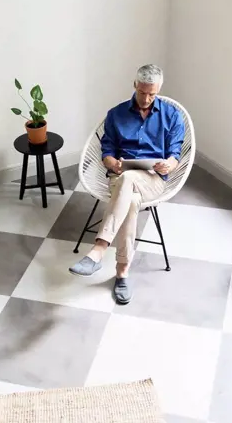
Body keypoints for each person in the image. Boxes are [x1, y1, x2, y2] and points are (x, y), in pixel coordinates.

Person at [69, 64, 185, 304]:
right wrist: (113, 164)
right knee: (129, 197)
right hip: (119, 178)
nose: (146, 98)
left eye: (152, 94)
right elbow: (106, 151)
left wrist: (168, 165)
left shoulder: (172, 115)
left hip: (153, 180)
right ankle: (122, 273)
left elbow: (175, 153)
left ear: (159, 89)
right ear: (135, 85)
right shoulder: (116, 114)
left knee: (129, 180)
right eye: (142, 92)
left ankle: (98, 250)